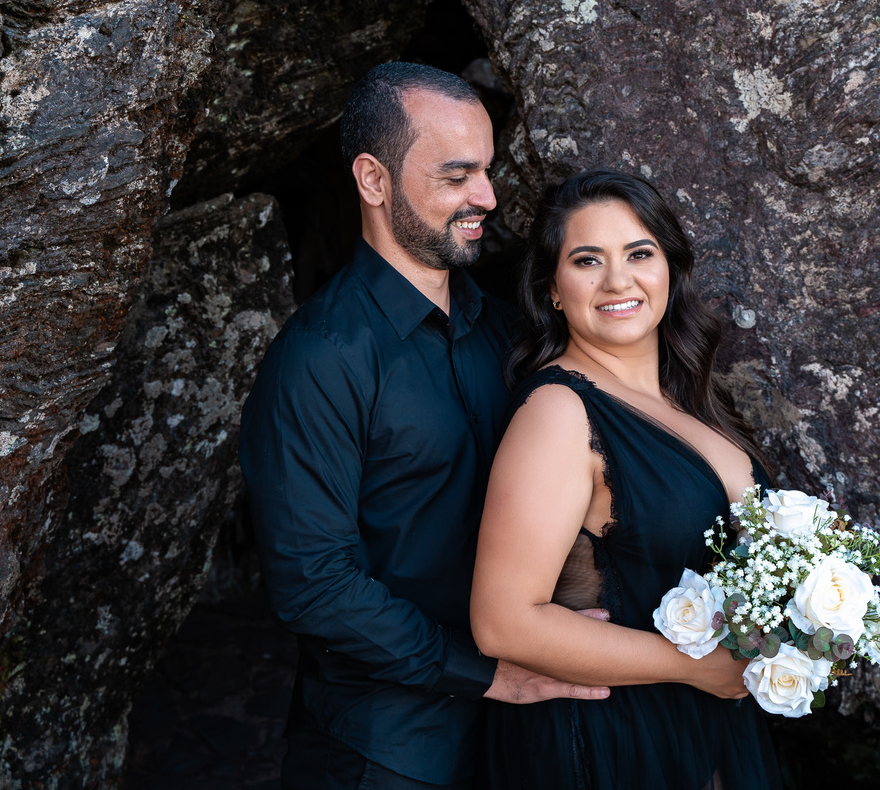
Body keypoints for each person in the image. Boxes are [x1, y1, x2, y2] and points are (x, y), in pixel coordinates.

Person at [238, 63, 607, 790]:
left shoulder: (509, 334)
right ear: (373, 181)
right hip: (385, 754)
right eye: (457, 175)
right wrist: (487, 673)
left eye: (489, 172)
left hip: (519, 743)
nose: (488, 198)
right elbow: (314, 583)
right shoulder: (319, 359)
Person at [471, 169, 782, 789]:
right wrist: (694, 666)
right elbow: (502, 622)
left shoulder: (688, 399)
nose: (618, 280)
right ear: (553, 290)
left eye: (639, 253)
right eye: (587, 260)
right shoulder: (559, 412)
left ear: (669, 267)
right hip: (616, 741)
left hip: (706, 726)